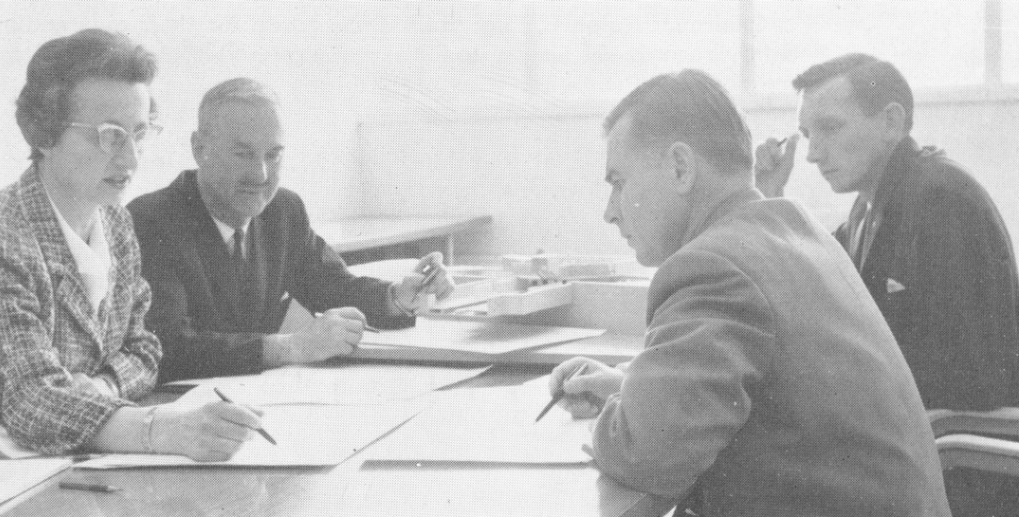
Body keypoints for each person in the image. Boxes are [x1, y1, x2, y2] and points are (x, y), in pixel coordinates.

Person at [549, 70, 950, 515]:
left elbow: (647, 456)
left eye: (618, 182)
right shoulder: (794, 231)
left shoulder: (713, 267)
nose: (610, 212)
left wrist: (622, 418)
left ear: (681, 168)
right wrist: (631, 389)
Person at [754, 52, 1019, 517]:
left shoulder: (940, 198)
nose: (813, 153)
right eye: (807, 135)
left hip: (966, 452)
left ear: (892, 122)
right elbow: (813, 271)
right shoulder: (873, 203)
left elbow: (962, 376)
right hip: (926, 438)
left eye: (830, 128)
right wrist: (769, 196)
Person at [0, 29, 260, 460]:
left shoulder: (116, 222)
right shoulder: (3, 236)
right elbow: (30, 399)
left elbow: (144, 349)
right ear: (42, 132)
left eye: (139, 133)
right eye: (109, 135)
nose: (131, 159)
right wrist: (157, 430)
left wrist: (102, 388)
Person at [127, 78, 453, 384]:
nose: (261, 174)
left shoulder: (282, 211)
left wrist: (397, 296)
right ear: (200, 149)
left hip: (260, 398)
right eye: (243, 154)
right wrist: (291, 347)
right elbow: (167, 348)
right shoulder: (150, 221)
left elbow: (334, 286)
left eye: (274, 154)